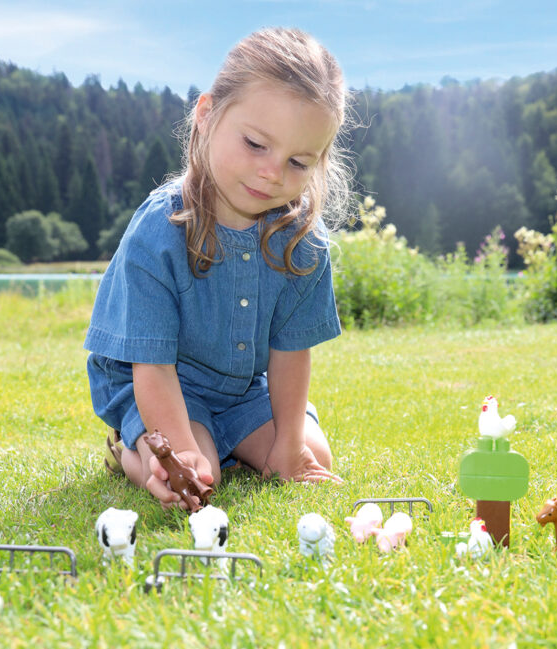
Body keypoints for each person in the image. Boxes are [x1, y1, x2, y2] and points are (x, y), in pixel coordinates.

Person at [84, 27, 350, 509]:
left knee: (313, 457)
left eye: (297, 161)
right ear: (206, 116)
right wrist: (179, 448)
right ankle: (133, 450)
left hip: (244, 390)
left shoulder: (303, 242)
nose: (272, 172)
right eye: (255, 144)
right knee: (196, 476)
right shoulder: (159, 229)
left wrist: (288, 446)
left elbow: (290, 355)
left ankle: (231, 444)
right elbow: (153, 366)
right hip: (161, 385)